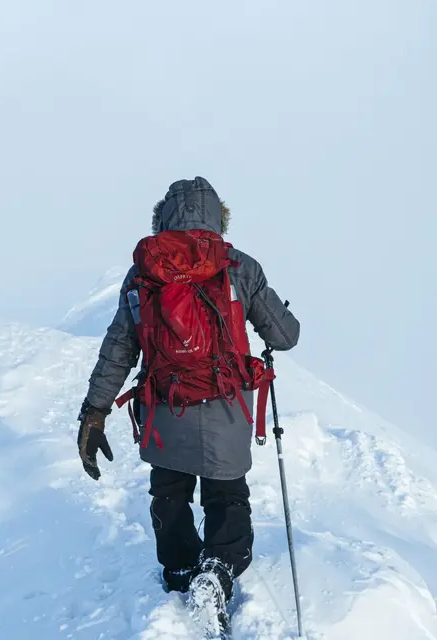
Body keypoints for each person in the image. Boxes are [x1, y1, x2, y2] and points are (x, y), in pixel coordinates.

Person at [77, 177, 300, 615]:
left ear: (162, 219)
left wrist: (94, 411)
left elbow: (119, 347)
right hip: (226, 407)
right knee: (226, 493)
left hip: (165, 407)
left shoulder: (143, 272)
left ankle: (180, 573)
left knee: (170, 491)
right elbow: (285, 337)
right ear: (220, 217)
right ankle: (217, 571)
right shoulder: (240, 266)